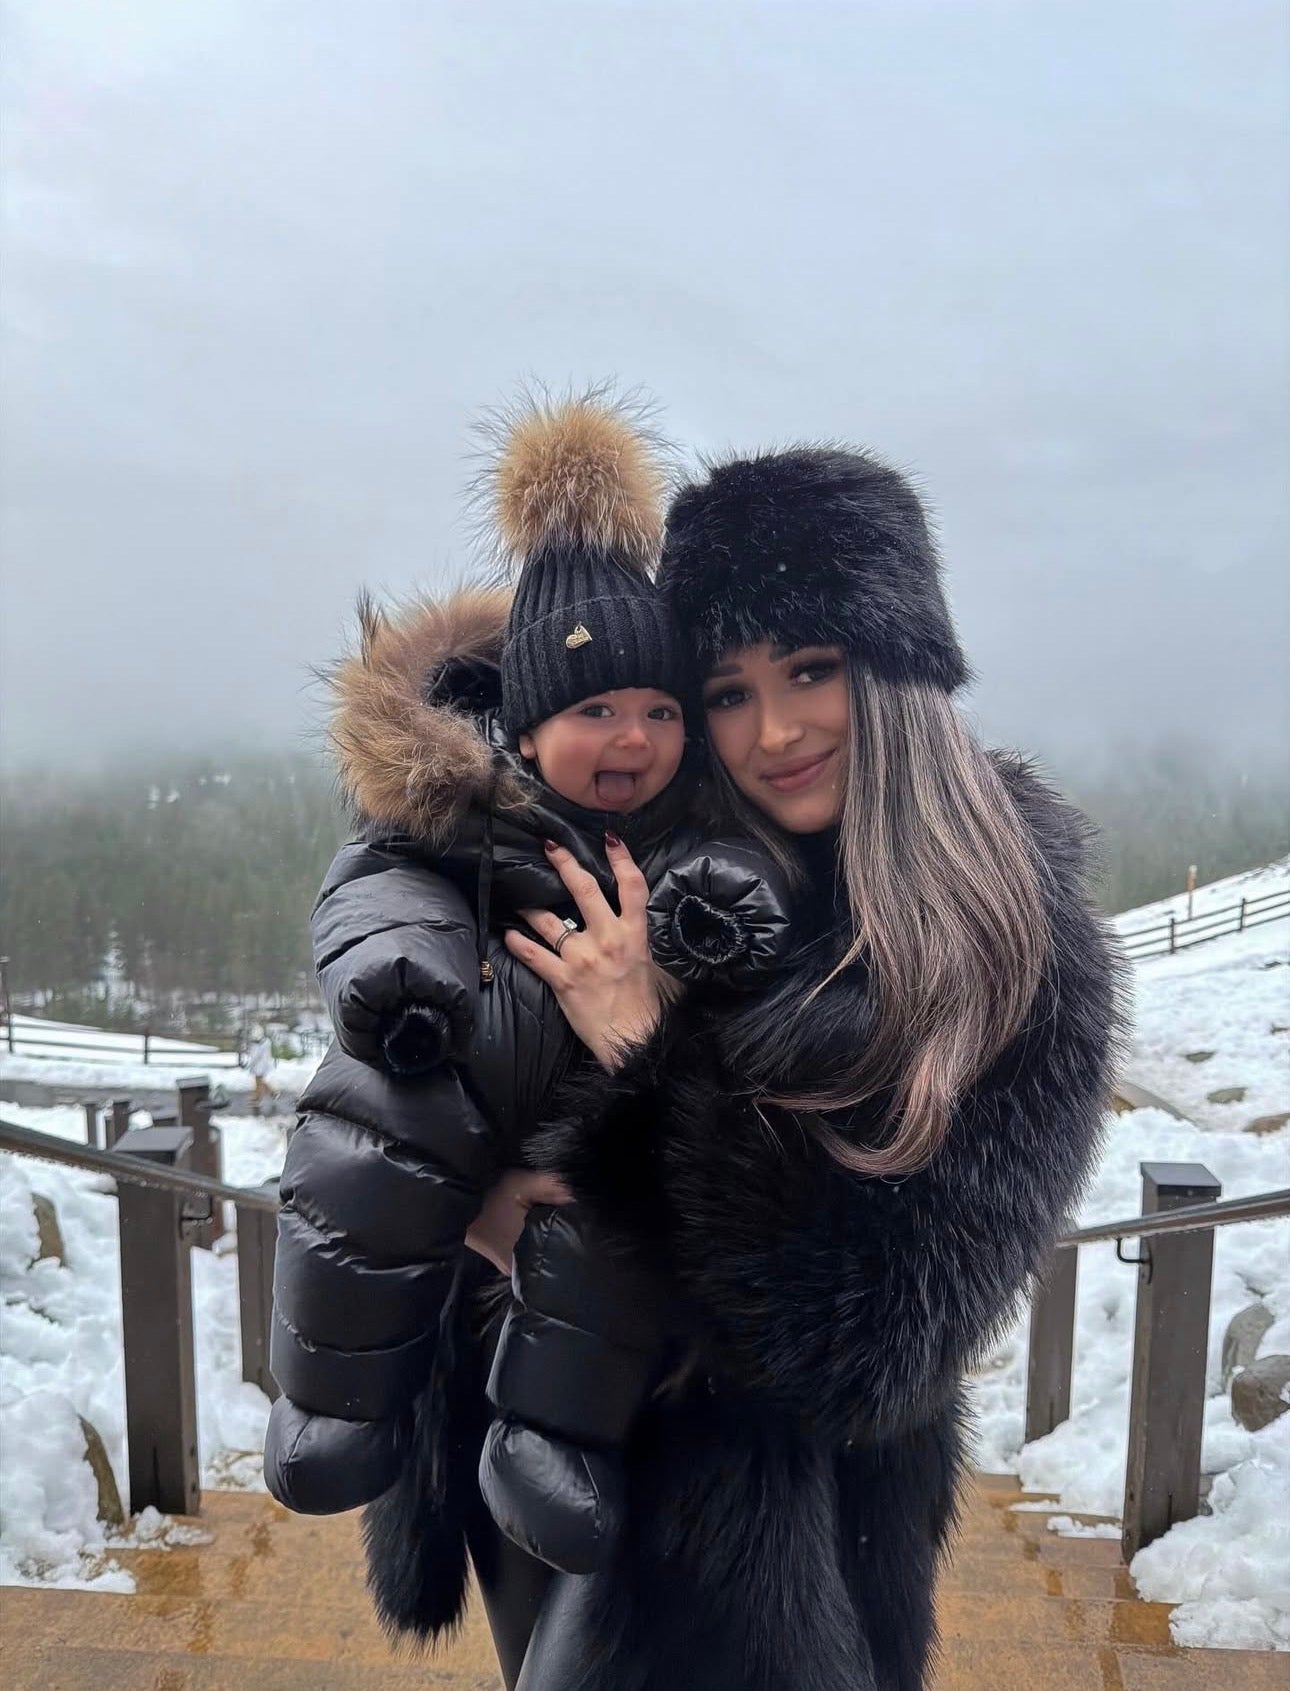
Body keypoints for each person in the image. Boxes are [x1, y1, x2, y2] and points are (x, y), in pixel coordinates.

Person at [495, 445, 1122, 1691]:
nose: (774, 730)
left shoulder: (1012, 940)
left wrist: (650, 1060)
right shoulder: (694, 868)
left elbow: (875, 1340)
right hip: (575, 1482)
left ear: (895, 667)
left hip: (794, 1571)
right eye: (728, 690)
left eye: (811, 670)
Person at [262, 393, 791, 1687]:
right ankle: (331, 1402)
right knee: (361, 1133)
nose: (633, 737)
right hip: (458, 1156)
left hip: (617, 1207)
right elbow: (375, 899)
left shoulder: (705, 838)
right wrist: (403, 993)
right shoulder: (450, 825)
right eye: (597, 708)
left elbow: (751, 951)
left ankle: (550, 1439)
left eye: (660, 709)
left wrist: (695, 955)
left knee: (591, 1219)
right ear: (528, 721)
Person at [244, 1023, 276, 1115]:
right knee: (260, 1081)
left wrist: (250, 1063)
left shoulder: (261, 1043)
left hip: (260, 1065)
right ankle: (273, 1093)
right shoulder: (263, 1042)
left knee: (258, 1082)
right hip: (260, 1065)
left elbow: (255, 1055)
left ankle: (257, 1098)